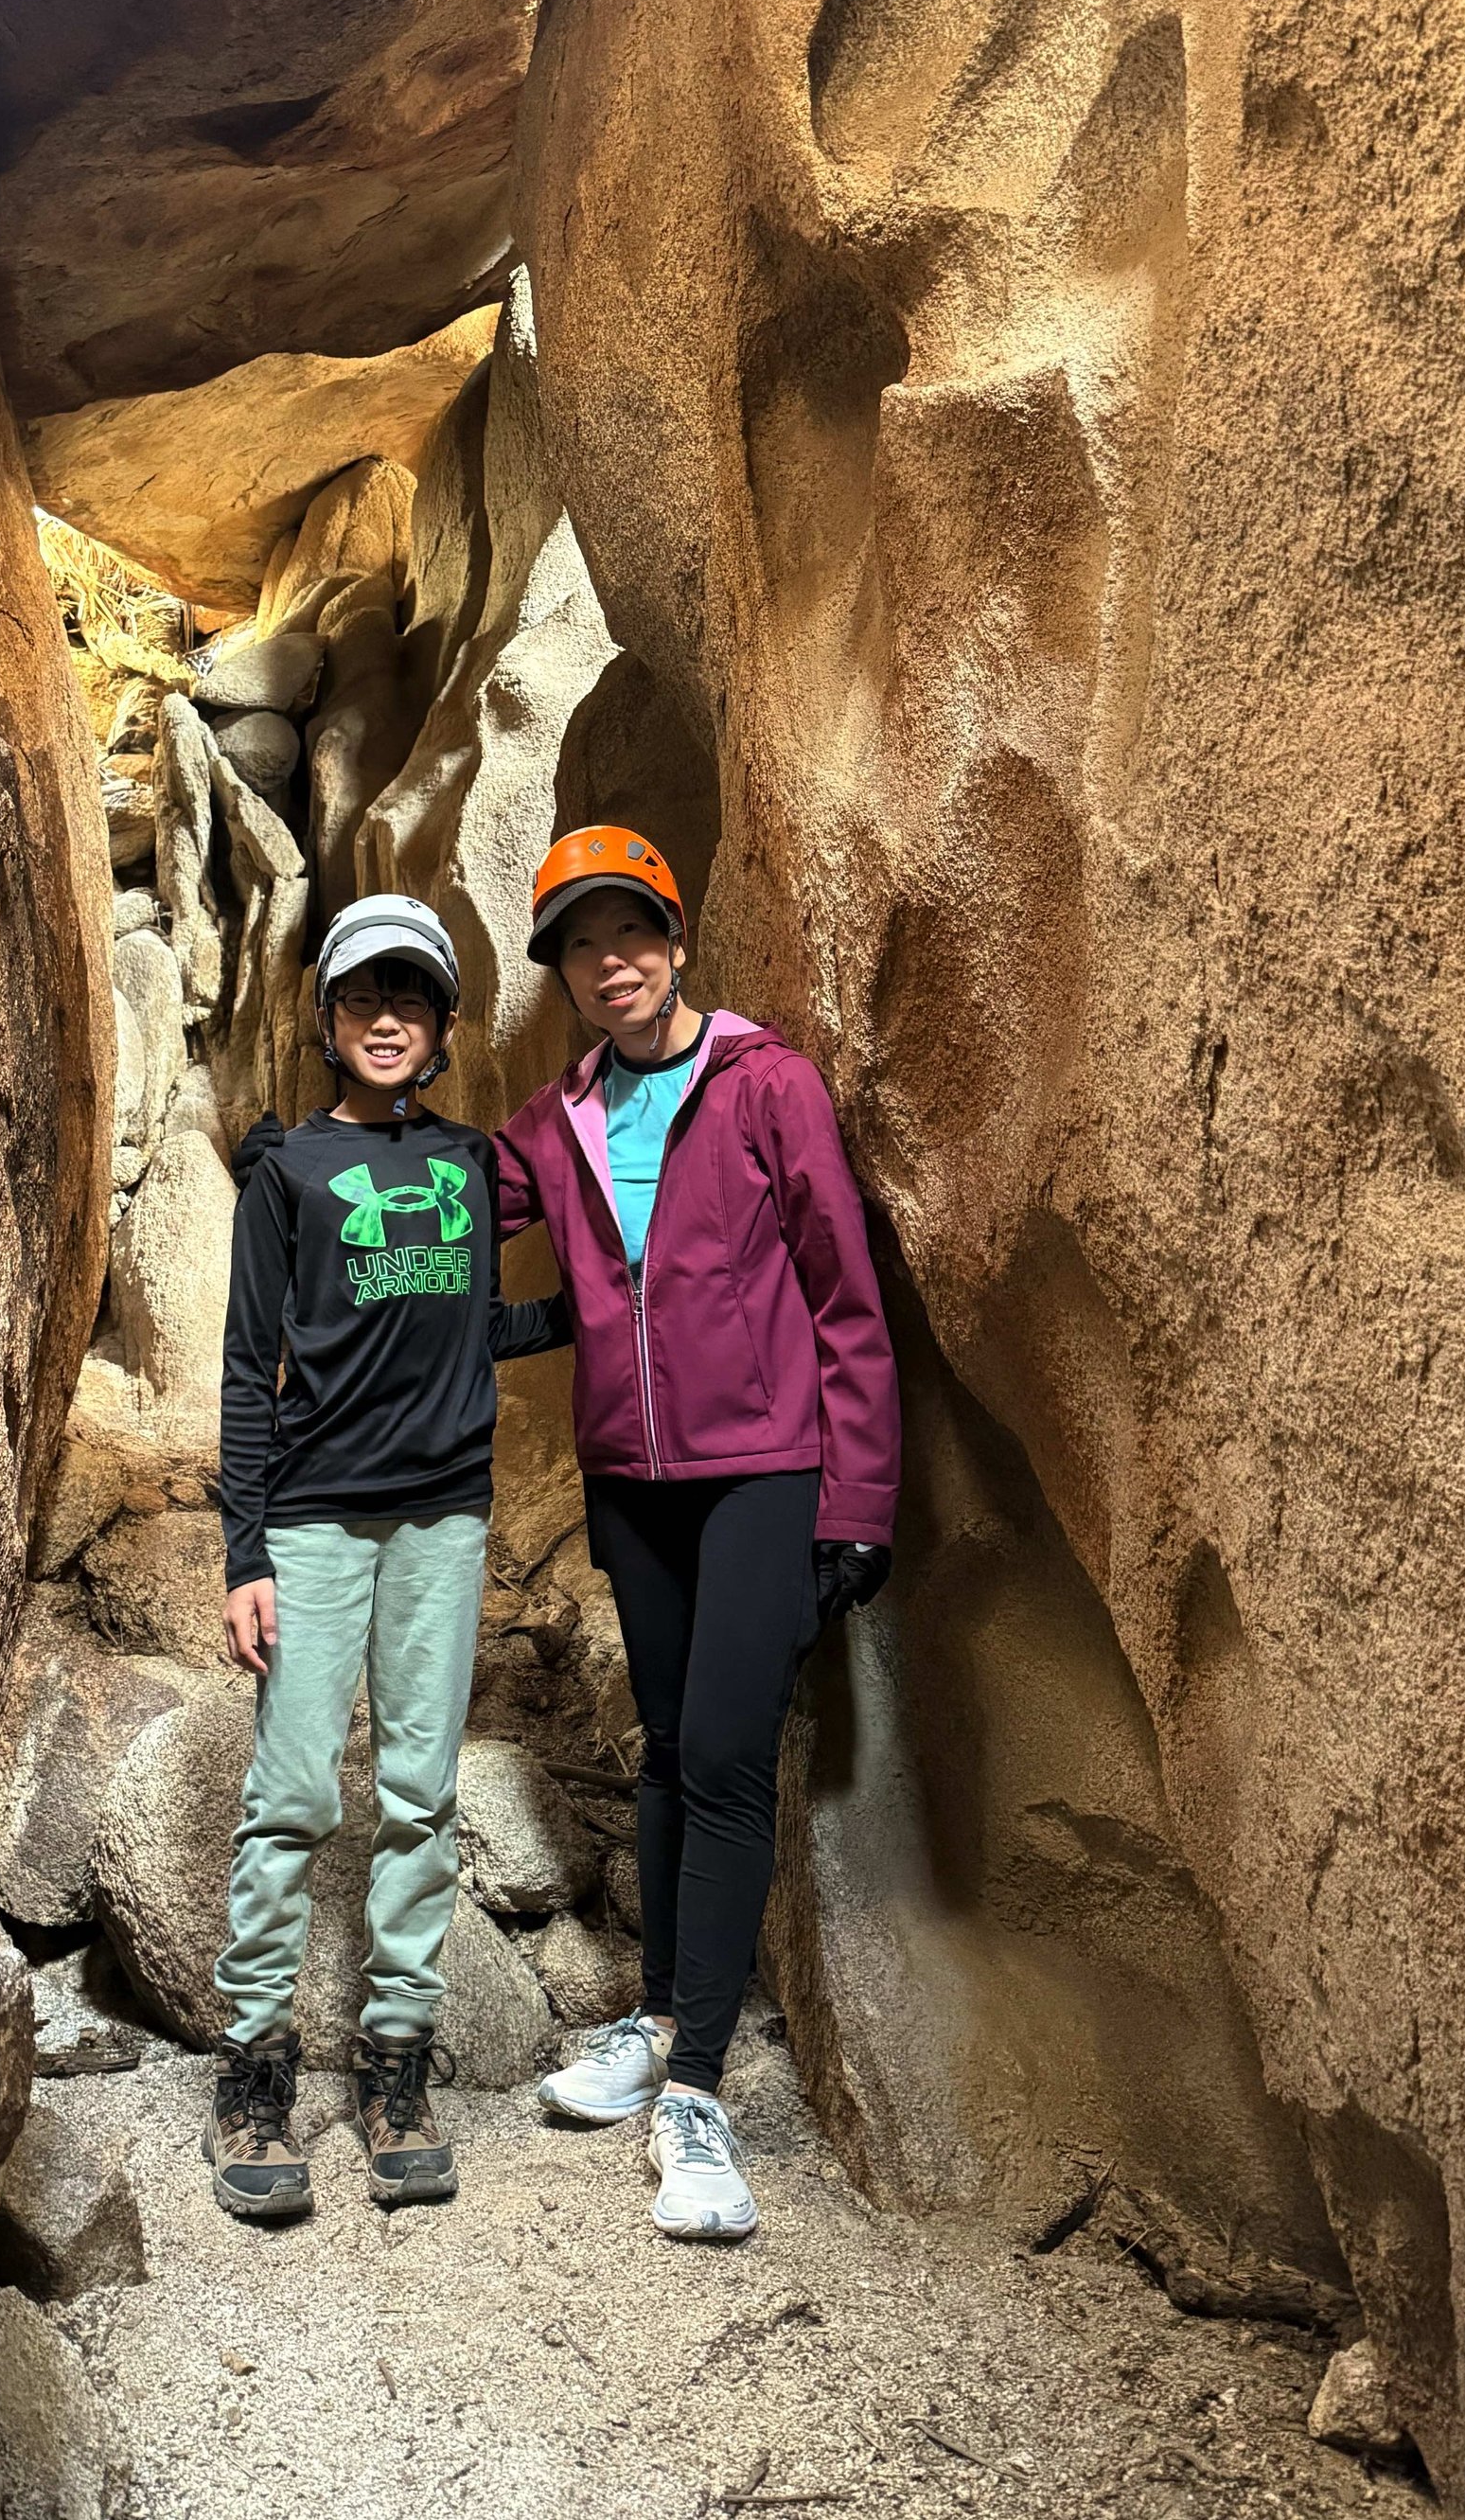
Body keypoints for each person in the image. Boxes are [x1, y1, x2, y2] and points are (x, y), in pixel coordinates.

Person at [495, 829, 900, 2242]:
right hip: (635, 1476)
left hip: (761, 1470)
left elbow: (847, 1300)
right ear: (559, 968)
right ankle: (659, 2013)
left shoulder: (764, 1085)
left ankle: (702, 2092)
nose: (613, 959)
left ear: (673, 937)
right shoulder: (558, 1122)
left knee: (726, 1759)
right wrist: (323, 1179)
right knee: (665, 1746)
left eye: (634, 931)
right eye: (582, 942)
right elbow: (441, 1212)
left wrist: (855, 1506)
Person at [203, 892, 567, 2225]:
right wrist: (244, 1548)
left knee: (419, 1792)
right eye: (364, 997)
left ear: (446, 1022)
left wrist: (603, 1303)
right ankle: (252, 2071)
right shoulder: (287, 1174)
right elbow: (250, 1366)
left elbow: (472, 1322)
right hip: (309, 1518)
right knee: (294, 1788)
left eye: (411, 997)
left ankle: (395, 2067)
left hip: (442, 1517)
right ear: (327, 1018)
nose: (388, 1018)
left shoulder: (472, 1162)